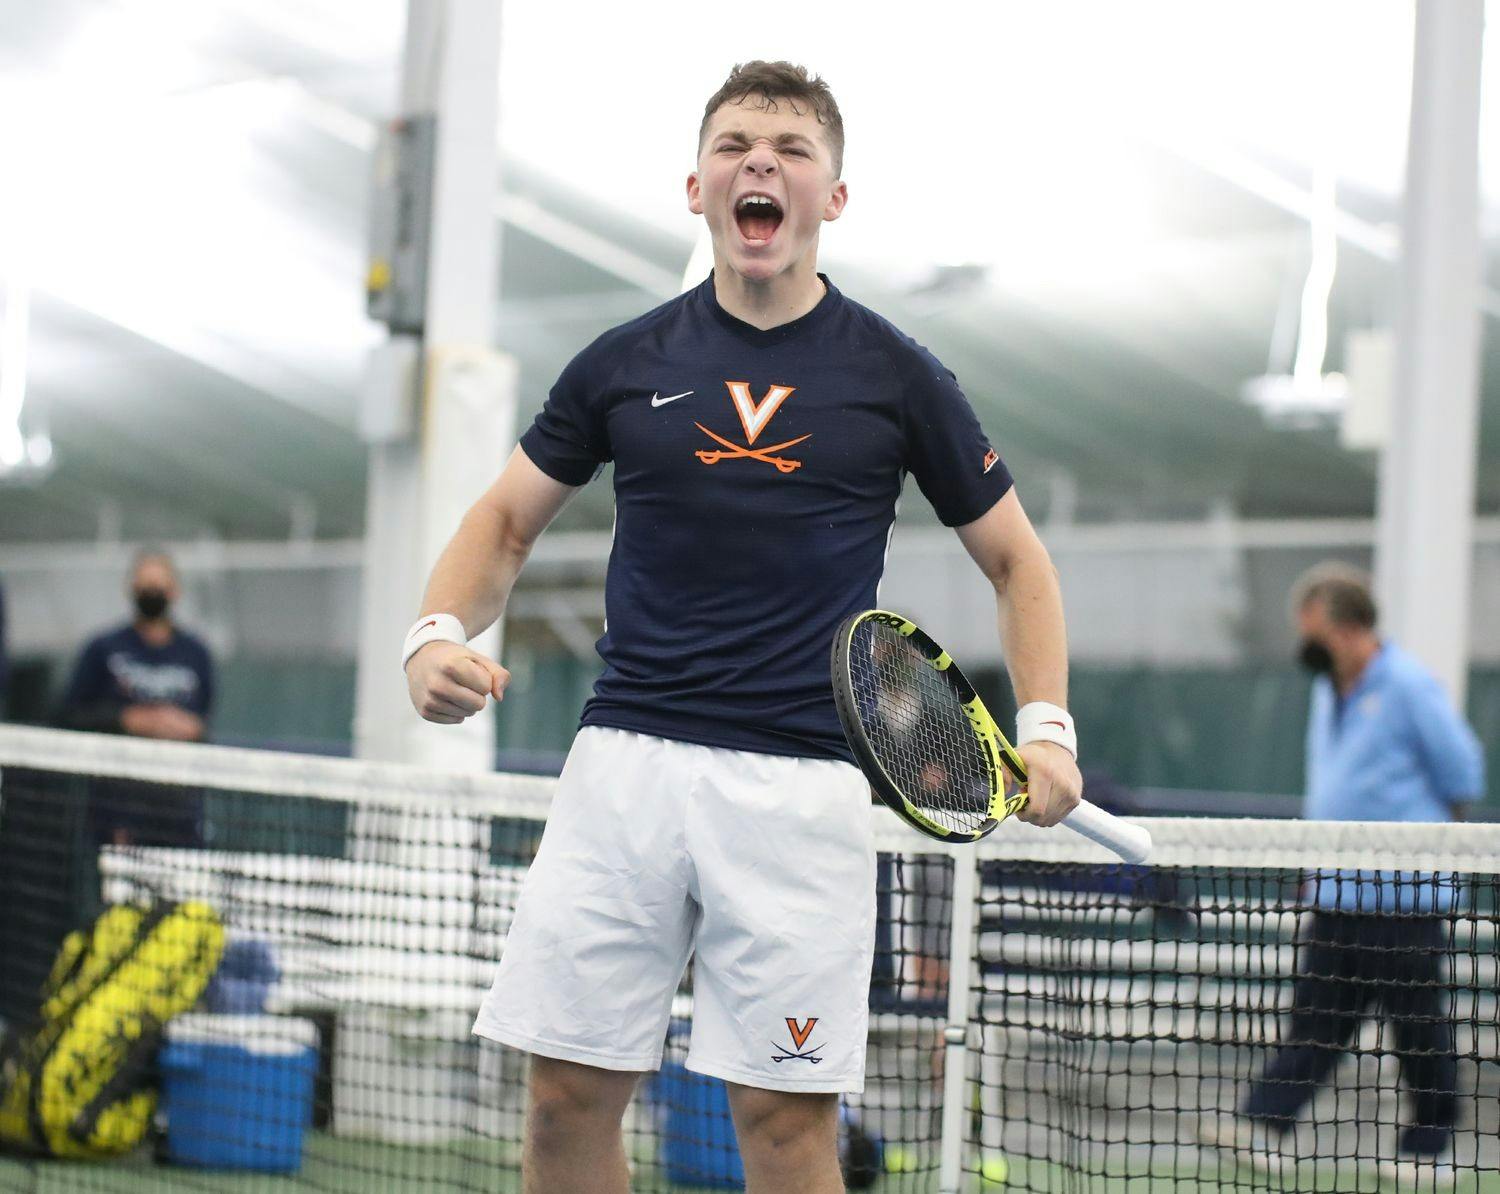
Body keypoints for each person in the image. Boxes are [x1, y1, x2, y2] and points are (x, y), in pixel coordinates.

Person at [403, 61, 1083, 1194]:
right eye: (734, 144)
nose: (759, 160)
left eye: (791, 147)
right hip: (623, 770)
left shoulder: (901, 376)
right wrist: (433, 629)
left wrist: (1048, 726)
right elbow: (505, 523)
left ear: (834, 199)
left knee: (781, 1125)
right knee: (564, 1103)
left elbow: (1019, 560)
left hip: (805, 793)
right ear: (696, 187)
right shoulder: (622, 361)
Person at [1203, 562, 1483, 1187]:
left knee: (1418, 1025)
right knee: (1316, 1020)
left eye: (1317, 633)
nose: (1308, 647)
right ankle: (1265, 1126)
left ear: (1352, 629)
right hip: (1337, 896)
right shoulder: (1328, 688)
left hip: (1406, 900)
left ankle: (1432, 1147)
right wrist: (1318, 868)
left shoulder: (1409, 686)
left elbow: (1463, 774)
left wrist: (1419, 850)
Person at [57, 550, 214, 845]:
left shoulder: (197, 653)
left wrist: (187, 727)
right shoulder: (103, 648)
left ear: (174, 591)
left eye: (159, 585)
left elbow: (202, 720)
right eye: (144, 585)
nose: (151, 593)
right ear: (130, 588)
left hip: (178, 808)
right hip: (118, 811)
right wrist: (126, 719)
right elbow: (68, 714)